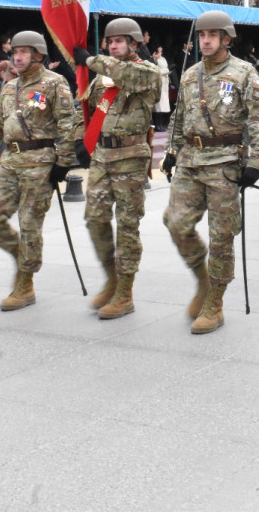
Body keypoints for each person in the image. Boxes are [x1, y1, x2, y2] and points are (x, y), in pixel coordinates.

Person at [162, 10, 259, 335]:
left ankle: (215, 302)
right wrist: (171, 152)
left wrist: (257, 161)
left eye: (212, 35)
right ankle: (203, 277)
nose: (205, 40)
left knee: (221, 236)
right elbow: (178, 117)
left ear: (226, 38)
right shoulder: (189, 74)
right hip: (190, 160)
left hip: (225, 164)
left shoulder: (243, 73)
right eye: (201, 35)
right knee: (175, 223)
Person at [0, 31, 87, 311]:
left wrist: (63, 161)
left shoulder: (54, 83)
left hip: (39, 162)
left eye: (24, 52)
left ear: (38, 55)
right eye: (15, 52)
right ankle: (22, 256)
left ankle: (25, 282)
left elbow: (67, 123)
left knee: (29, 225)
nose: (17, 56)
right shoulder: (8, 88)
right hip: (10, 160)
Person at [72, 18, 162, 319]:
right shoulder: (101, 77)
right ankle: (111, 279)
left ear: (134, 44)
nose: (113, 45)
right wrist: (79, 141)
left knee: (127, 225)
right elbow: (85, 107)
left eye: (120, 41)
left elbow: (126, 74)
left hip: (130, 158)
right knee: (94, 218)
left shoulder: (147, 72)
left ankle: (125, 291)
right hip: (101, 156)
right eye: (110, 41)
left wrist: (92, 60)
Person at [152, 45, 171, 130]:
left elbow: (166, 68)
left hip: (165, 83)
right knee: (158, 105)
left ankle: (162, 123)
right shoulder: (153, 59)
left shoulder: (163, 59)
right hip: (158, 82)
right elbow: (154, 70)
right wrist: (164, 71)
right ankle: (157, 124)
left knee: (164, 105)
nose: (161, 49)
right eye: (159, 48)